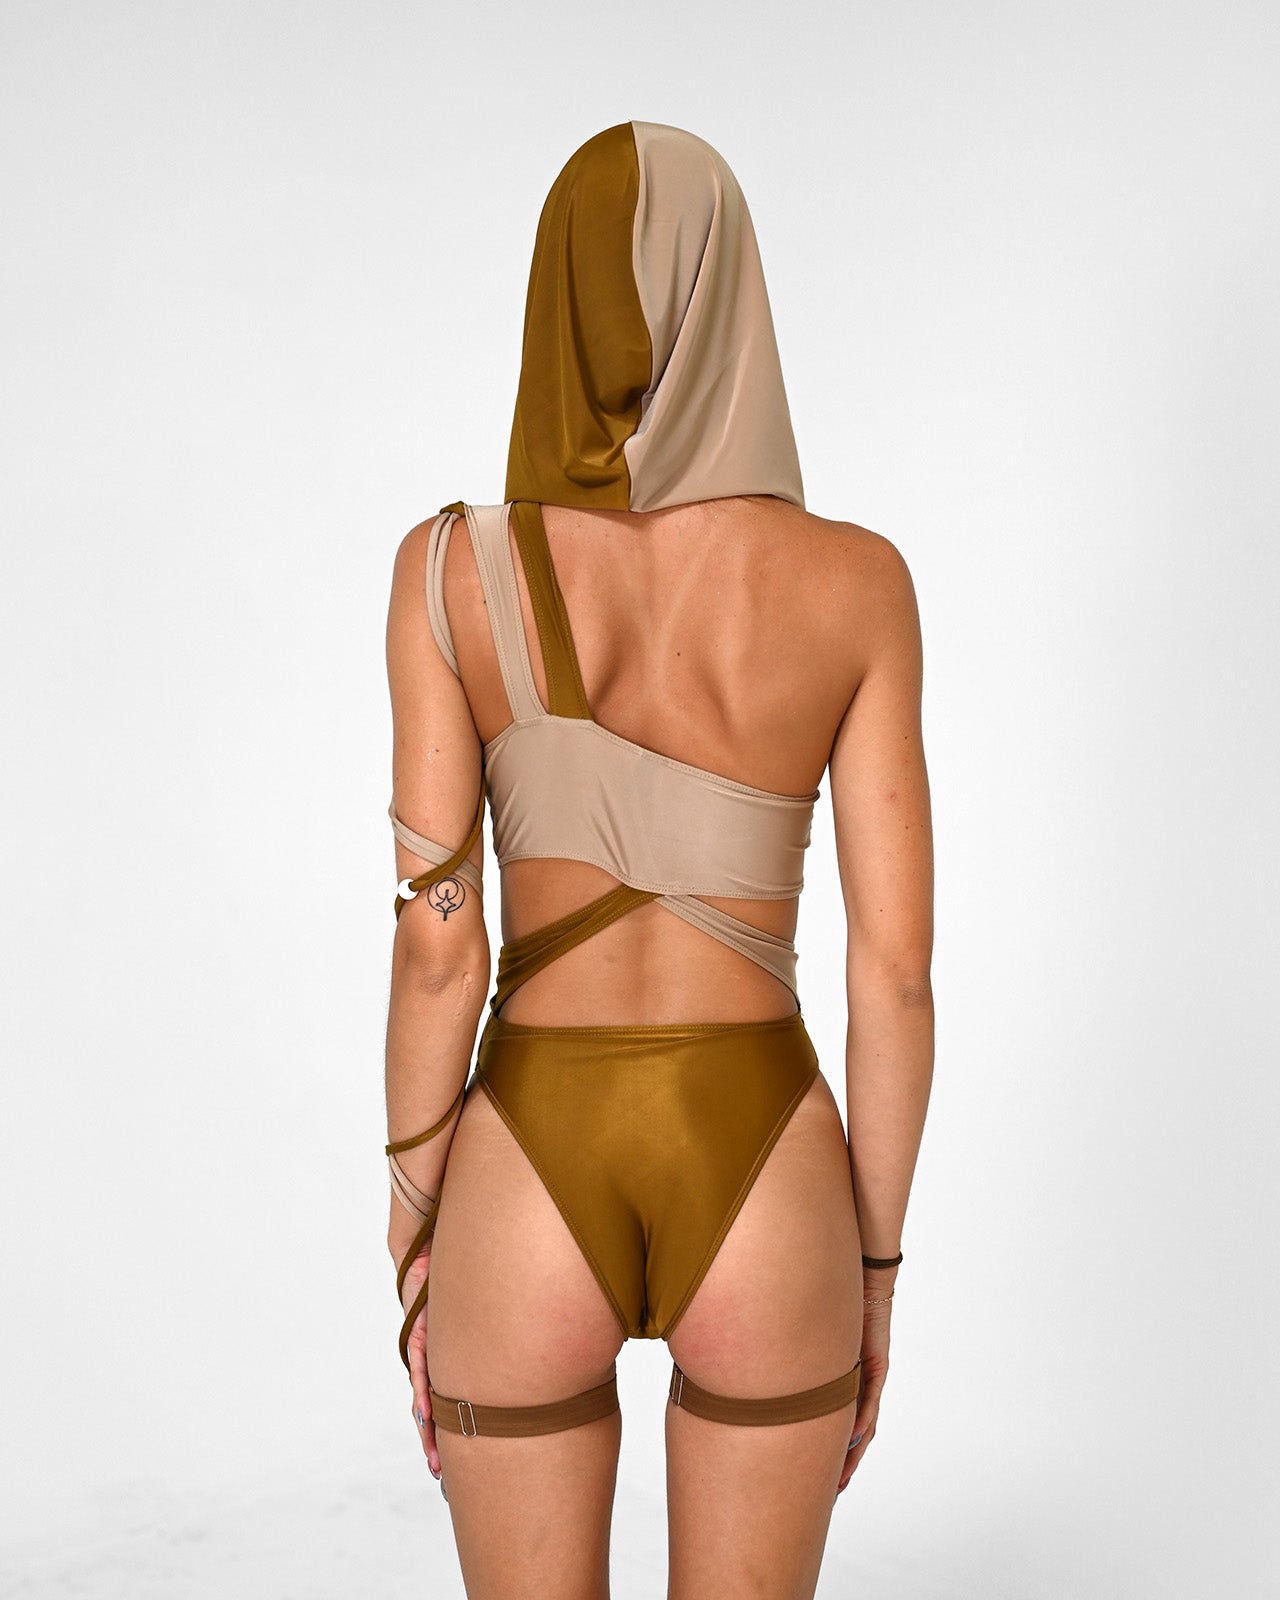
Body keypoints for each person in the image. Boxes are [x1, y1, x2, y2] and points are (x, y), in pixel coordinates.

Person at [382, 120, 934, 1599]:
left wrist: (416, 1227)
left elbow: (439, 944)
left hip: (528, 1157)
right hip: (762, 1160)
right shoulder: (857, 585)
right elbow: (895, 975)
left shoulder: (447, 574)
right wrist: (871, 1273)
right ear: (735, 294)